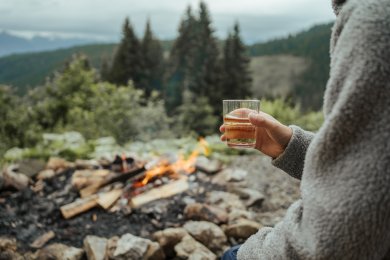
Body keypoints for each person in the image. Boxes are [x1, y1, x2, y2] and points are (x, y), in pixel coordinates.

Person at [220, 0, 390, 259]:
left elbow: (339, 237)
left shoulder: (375, 18)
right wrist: (293, 147)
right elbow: (376, 161)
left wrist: (248, 253)